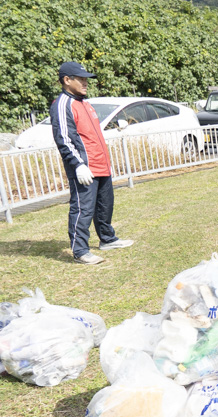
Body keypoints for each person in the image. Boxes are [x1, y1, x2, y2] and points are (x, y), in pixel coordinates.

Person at [50, 61, 134, 265]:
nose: (85, 83)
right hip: (85, 169)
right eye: (80, 79)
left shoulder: (84, 103)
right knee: (82, 209)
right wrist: (78, 165)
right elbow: (64, 138)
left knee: (105, 205)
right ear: (66, 80)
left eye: (86, 79)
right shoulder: (62, 104)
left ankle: (107, 239)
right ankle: (80, 250)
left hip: (101, 165)